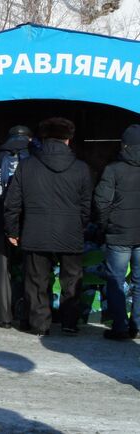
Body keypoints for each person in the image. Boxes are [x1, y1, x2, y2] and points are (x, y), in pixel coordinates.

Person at [4, 118, 92, 336]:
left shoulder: (27, 166)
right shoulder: (81, 168)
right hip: (70, 231)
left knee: (36, 280)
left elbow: (12, 202)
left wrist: (13, 230)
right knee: (71, 280)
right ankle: (70, 323)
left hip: (35, 230)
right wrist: (79, 226)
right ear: (68, 140)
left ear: (42, 139)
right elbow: (86, 206)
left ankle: (40, 325)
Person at [93, 124, 140, 340]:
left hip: (119, 233)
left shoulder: (113, 169)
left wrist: (105, 226)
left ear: (125, 145)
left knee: (115, 280)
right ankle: (137, 325)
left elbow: (101, 202)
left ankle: (120, 326)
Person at [0, 126, 32, 328]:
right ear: (29, 139)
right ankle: (28, 313)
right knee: (33, 268)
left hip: (2, 219)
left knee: (3, 268)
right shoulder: (34, 157)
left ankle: (4, 316)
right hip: (30, 221)